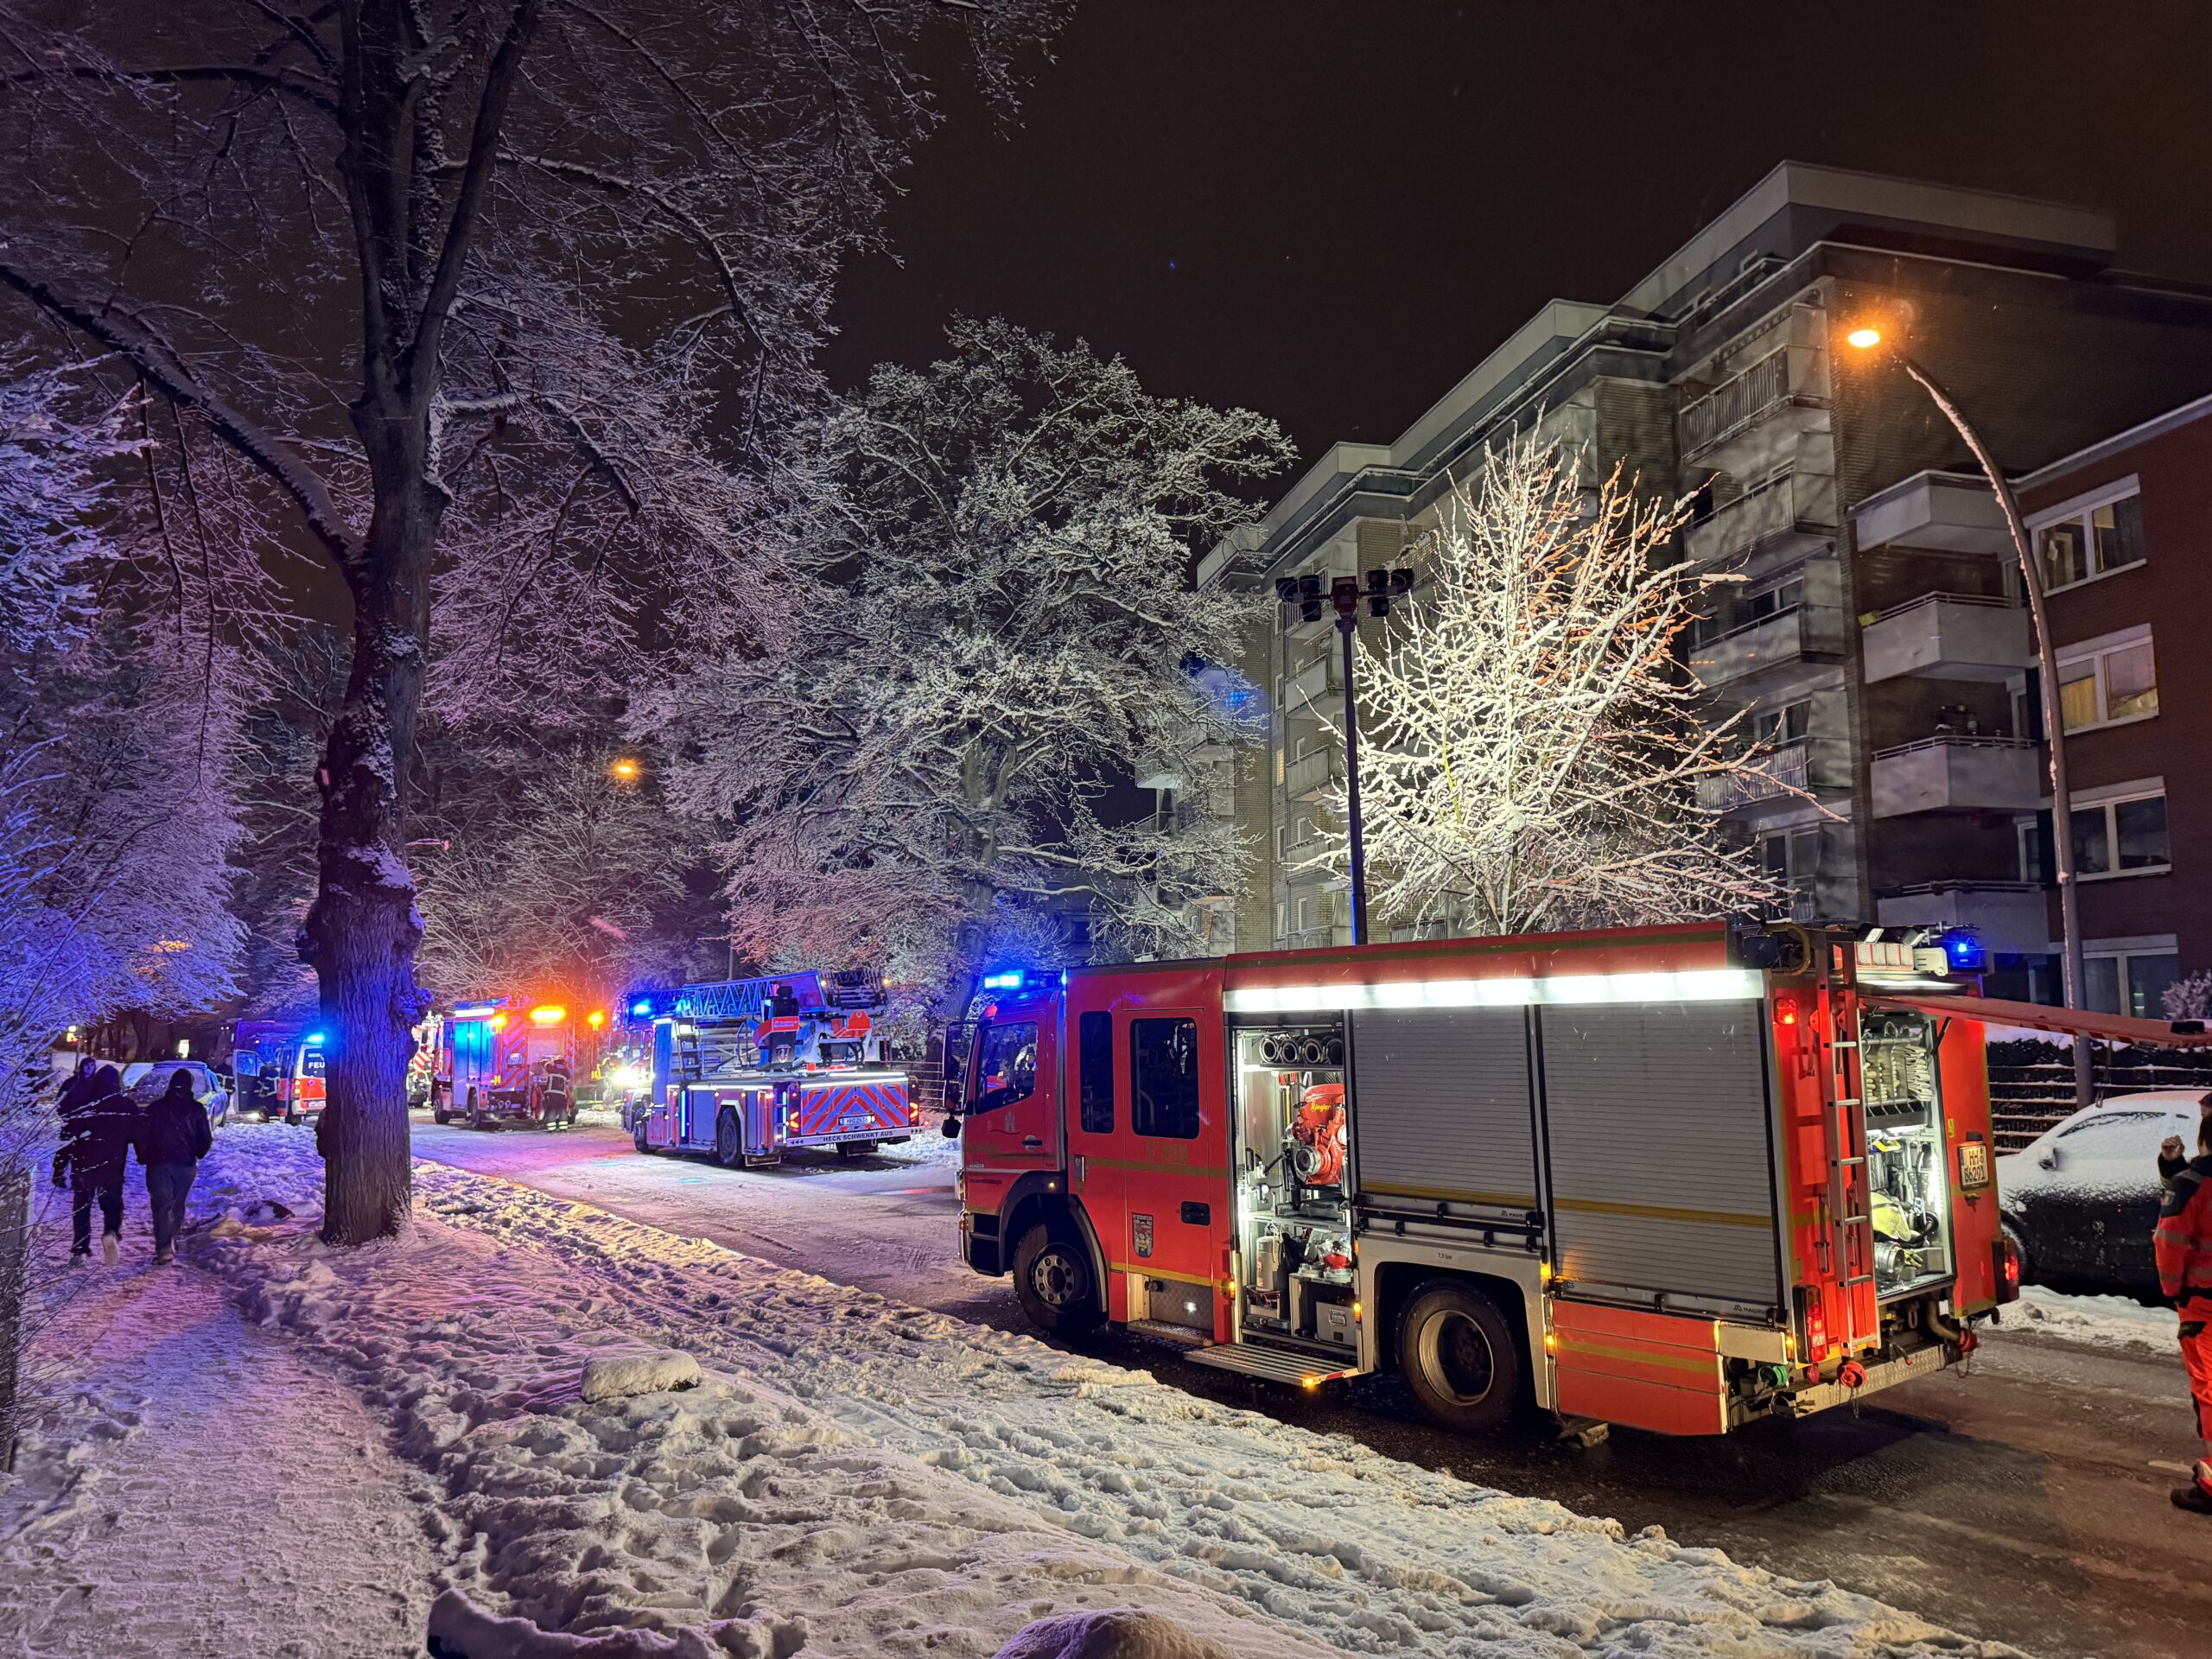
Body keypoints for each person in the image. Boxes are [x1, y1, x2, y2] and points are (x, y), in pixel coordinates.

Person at [2156, 1110, 2212, 1514]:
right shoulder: (2190, 1182)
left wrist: (2175, 1293)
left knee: (2209, 1390)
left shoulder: (2192, 1185)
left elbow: (2172, 1241)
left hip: (2203, 1306)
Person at [54, 1064, 136, 1264]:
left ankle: (79, 1249)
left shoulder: (84, 1105)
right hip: (112, 1165)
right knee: (113, 1204)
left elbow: (68, 1137)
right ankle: (111, 1232)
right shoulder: (125, 1106)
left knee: (82, 1207)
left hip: (84, 1165)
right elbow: (140, 1133)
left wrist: (59, 1166)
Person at [137, 1067, 213, 1264]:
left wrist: (143, 1156)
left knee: (162, 1206)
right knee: (177, 1204)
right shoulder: (196, 1109)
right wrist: (197, 1153)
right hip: (185, 1164)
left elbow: (142, 1135)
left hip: (158, 1163)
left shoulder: (155, 1108)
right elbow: (205, 1137)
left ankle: (164, 1248)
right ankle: (172, 1239)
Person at [2159, 1090, 2212, 1185]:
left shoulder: (2203, 1168)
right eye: (2204, 1118)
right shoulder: (2200, 1167)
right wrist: (2172, 1163)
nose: (2206, 1125)